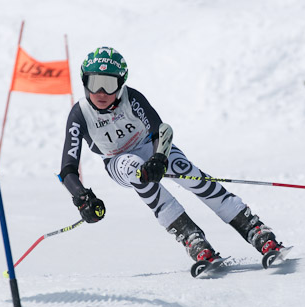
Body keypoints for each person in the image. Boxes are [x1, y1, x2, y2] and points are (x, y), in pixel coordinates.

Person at [59, 47, 286, 264]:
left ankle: (254, 228)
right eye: (93, 83)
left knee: (186, 171)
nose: (100, 92)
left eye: (108, 84)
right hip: (116, 160)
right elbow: (67, 168)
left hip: (151, 146)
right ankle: (191, 237)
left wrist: (159, 157)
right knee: (135, 169)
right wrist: (82, 198)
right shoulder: (80, 114)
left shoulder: (132, 98)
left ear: (120, 84)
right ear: (84, 82)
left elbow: (159, 130)